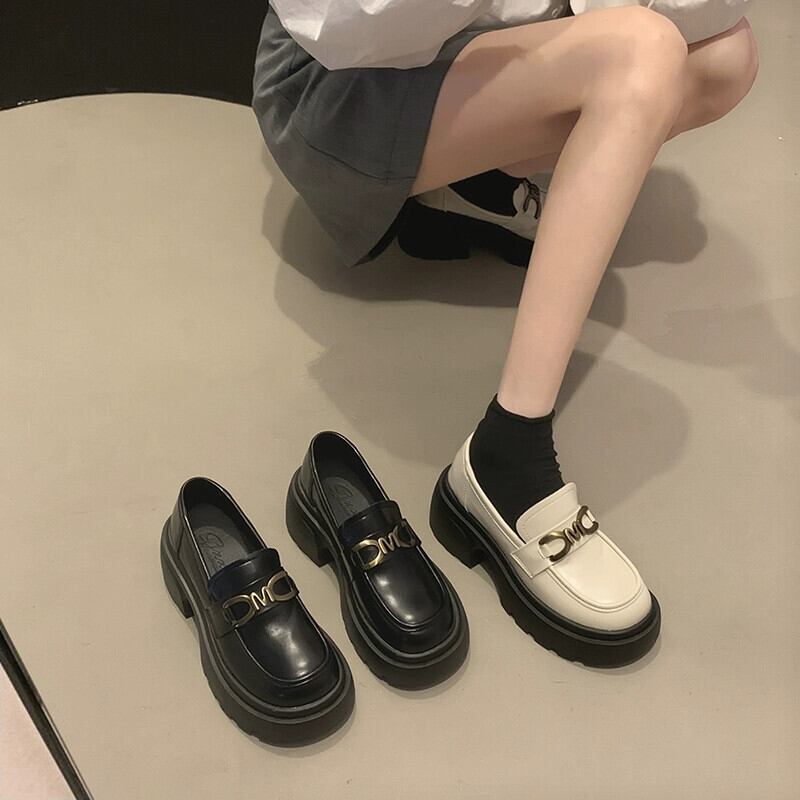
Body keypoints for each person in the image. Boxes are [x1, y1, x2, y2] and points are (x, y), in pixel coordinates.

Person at [251, 2, 759, 662]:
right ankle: (507, 453)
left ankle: (467, 188)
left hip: (457, 58)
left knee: (725, 57)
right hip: (332, 86)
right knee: (641, 53)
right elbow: (347, 27)